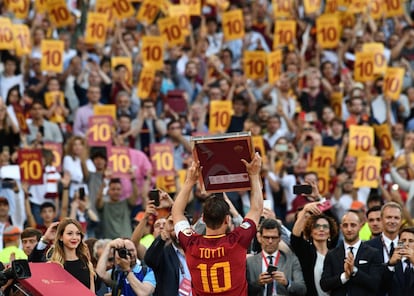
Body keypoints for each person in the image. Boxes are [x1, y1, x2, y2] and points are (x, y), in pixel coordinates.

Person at [172, 152, 263, 295]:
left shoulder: (191, 243)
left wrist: (190, 181)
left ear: (203, 218)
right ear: (227, 220)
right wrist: (254, 175)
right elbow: (256, 210)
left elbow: (176, 213)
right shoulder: (237, 240)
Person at [320, 211, 383, 296]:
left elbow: (375, 284)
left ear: (360, 226)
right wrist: (345, 276)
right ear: (341, 227)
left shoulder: (373, 253)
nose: (349, 229)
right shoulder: (332, 254)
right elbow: (324, 284)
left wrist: (354, 271)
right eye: (345, 225)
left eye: (353, 225)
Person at [246, 218, 307, 296]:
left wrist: (287, 283)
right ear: (260, 238)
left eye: (274, 238)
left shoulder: (291, 260)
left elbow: (302, 290)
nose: (270, 241)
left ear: (280, 238)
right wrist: (258, 283)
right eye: (266, 237)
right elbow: (244, 290)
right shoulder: (250, 262)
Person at [291, 202, 339, 296]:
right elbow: (295, 238)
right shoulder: (307, 252)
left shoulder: (337, 254)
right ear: (311, 232)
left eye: (325, 227)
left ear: (330, 233)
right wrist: (305, 210)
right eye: (316, 226)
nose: (321, 229)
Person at [144, 214, 191, 296]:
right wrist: (164, 232)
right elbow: (149, 260)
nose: (178, 230)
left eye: (181, 226)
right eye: (173, 226)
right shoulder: (163, 253)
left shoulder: (197, 252)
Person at [365, 202, 403, 296]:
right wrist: (389, 265)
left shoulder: (408, 245)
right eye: (389, 217)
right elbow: (368, 281)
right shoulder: (367, 247)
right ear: (381, 219)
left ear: (401, 220)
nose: (392, 221)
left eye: (396, 218)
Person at [48, 218, 95, 292]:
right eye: (70, 233)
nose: (74, 237)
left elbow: (92, 293)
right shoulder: (53, 266)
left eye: (78, 233)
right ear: (60, 237)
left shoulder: (87, 264)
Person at [386, 227, 414, 296]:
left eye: (411, 241)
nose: (406, 244)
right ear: (399, 243)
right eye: (403, 240)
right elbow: (382, 285)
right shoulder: (392, 262)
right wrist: (390, 265)